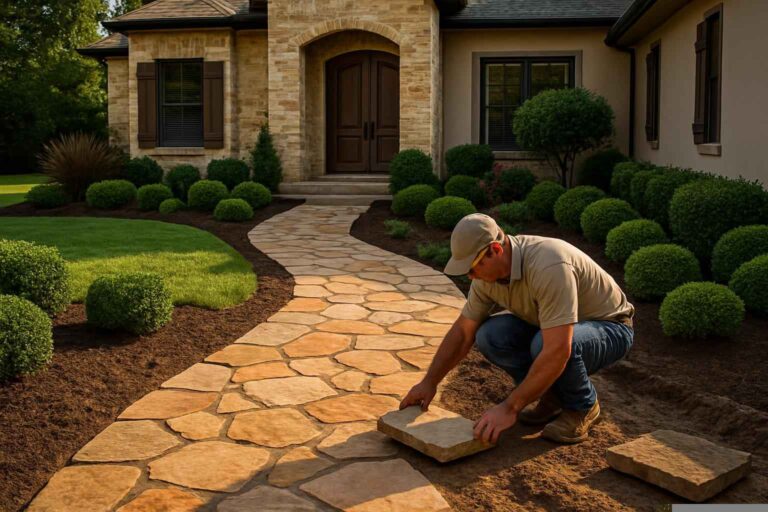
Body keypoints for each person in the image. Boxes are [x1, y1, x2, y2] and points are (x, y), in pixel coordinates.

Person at [400, 213, 635, 444]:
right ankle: (552, 396)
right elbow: (463, 333)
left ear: (495, 250)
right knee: (490, 336)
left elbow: (558, 349)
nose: (471, 277)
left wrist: (510, 407)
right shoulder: (485, 280)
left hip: (610, 327)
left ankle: (582, 406)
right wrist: (429, 381)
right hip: (551, 326)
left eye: (473, 268)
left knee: (544, 344)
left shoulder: (549, 264)